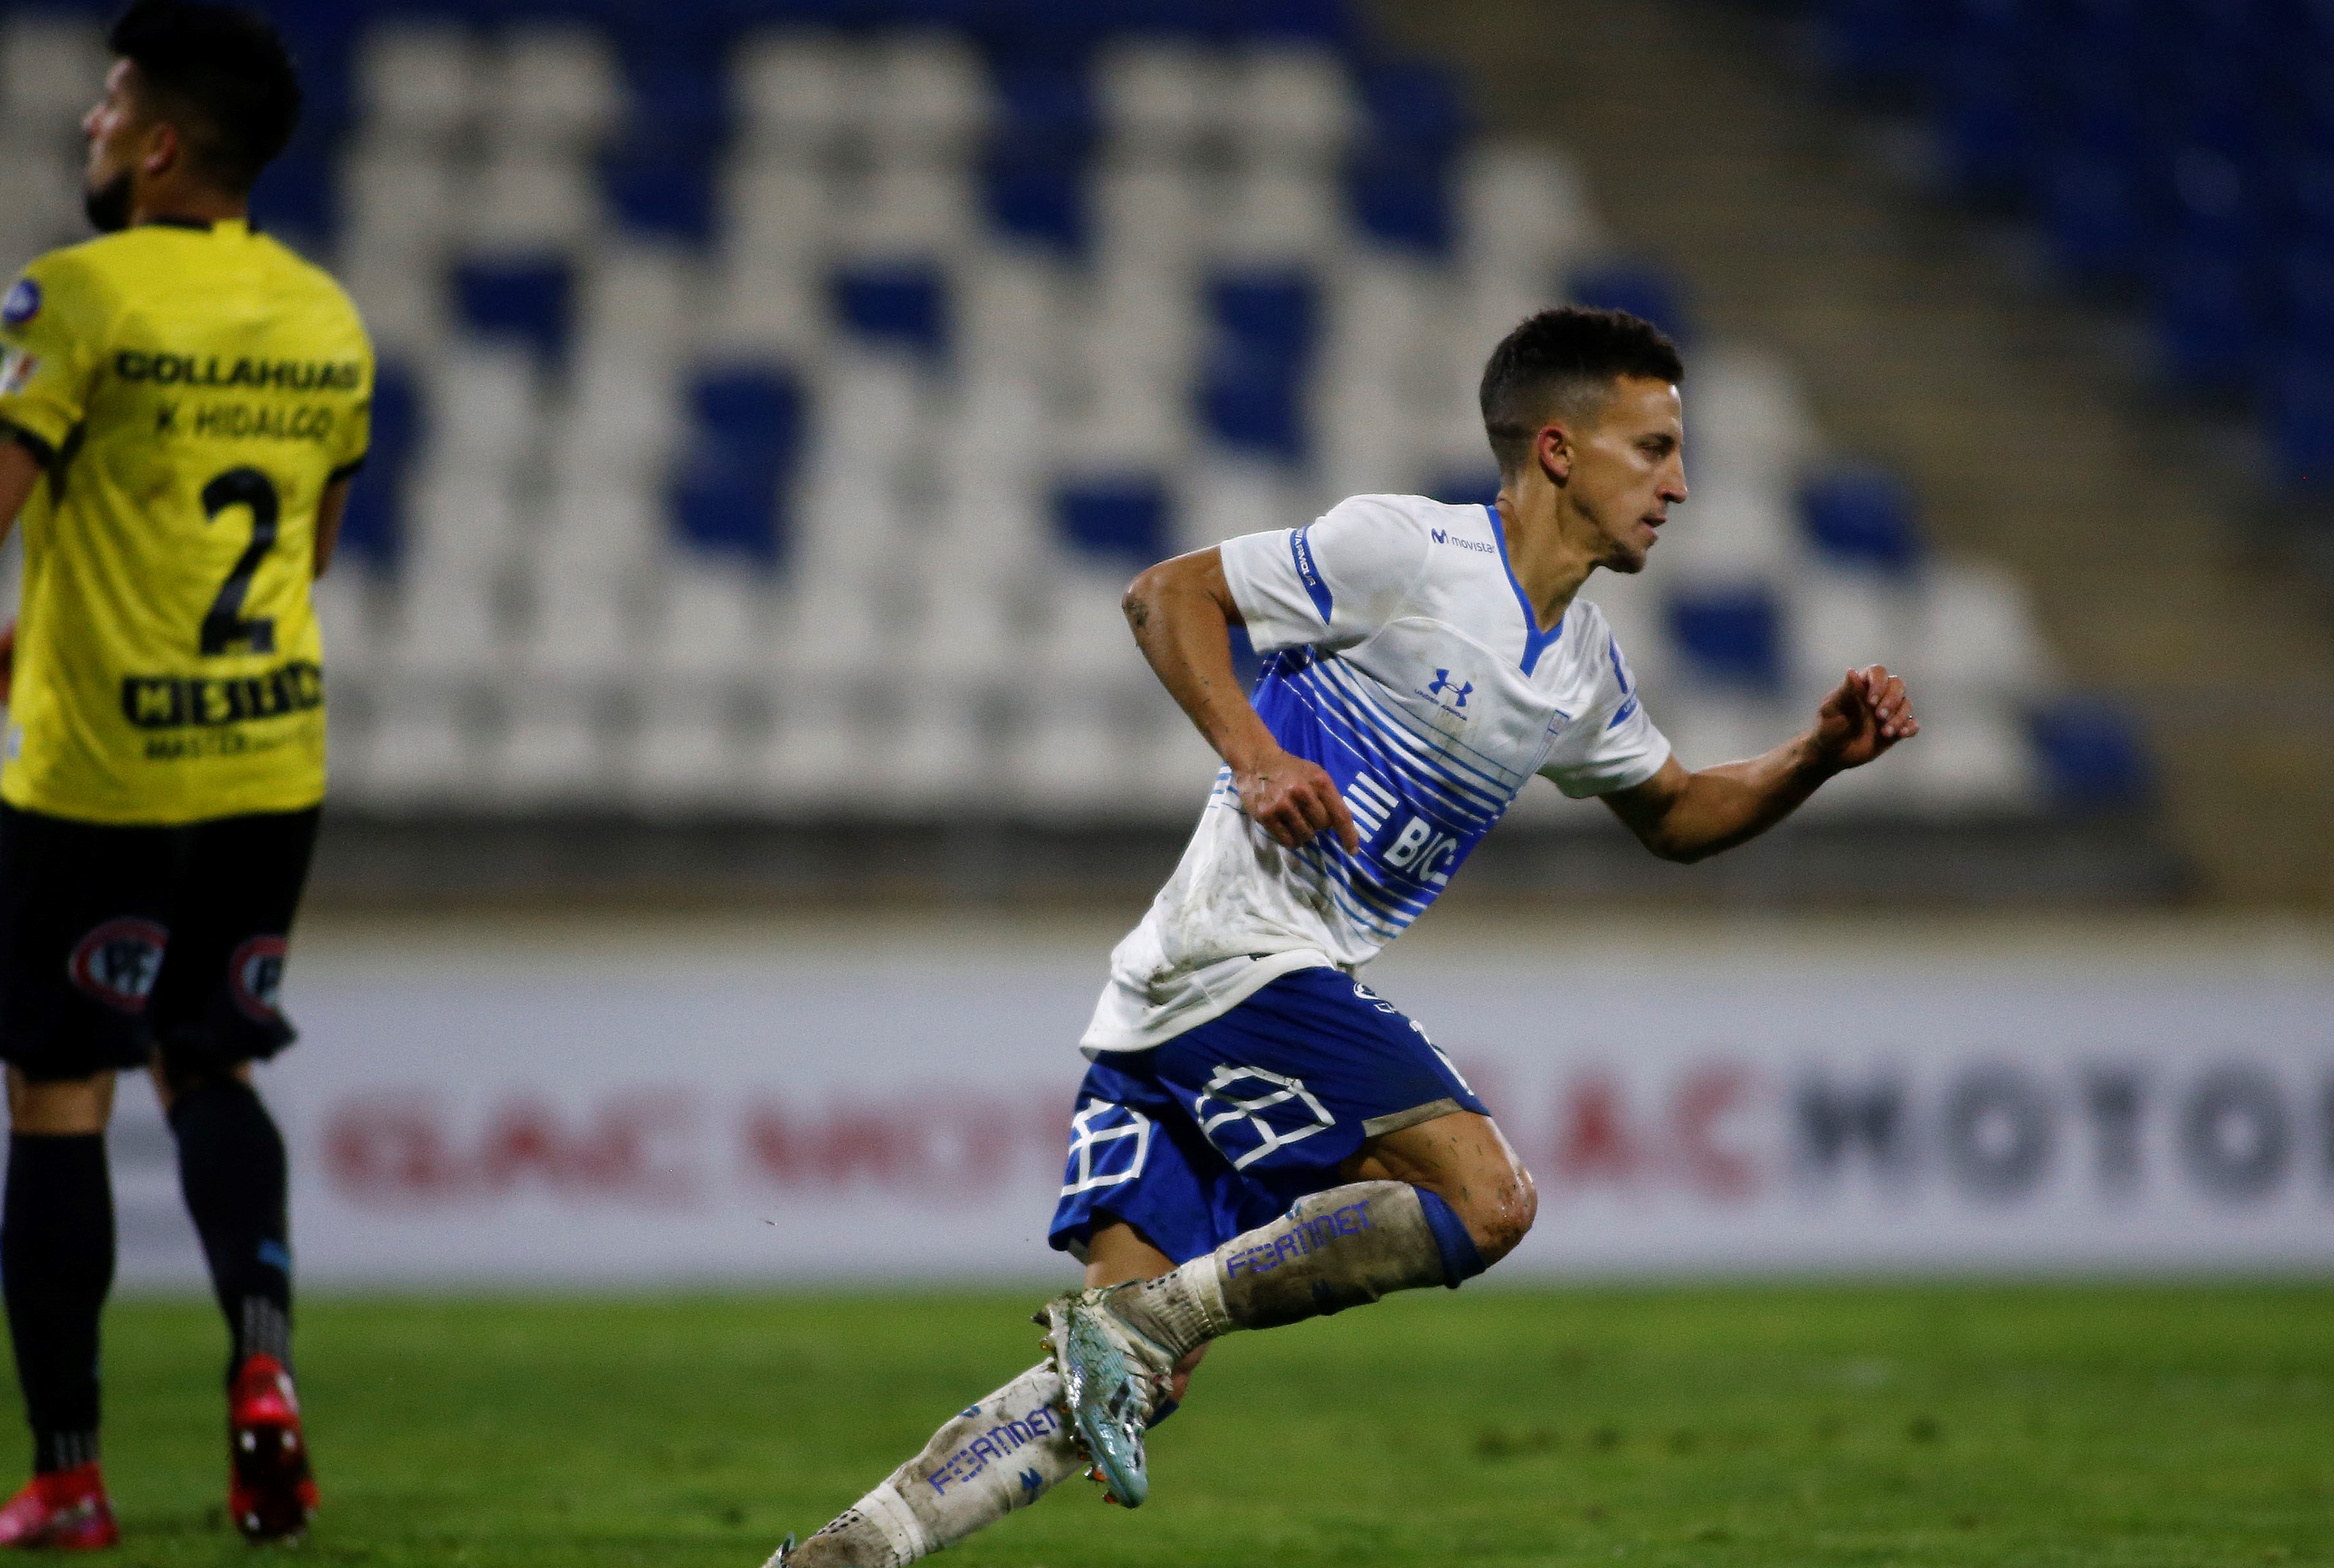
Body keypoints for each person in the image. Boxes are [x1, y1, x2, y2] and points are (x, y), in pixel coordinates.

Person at [764, 306, 1919, 1565]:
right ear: (1553, 449)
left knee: (1115, 1387)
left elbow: (1678, 814)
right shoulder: (1405, 550)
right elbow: (1167, 597)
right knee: (1484, 1201)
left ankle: (836, 1555)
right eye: (1650, 449)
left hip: (1165, 997)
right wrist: (1258, 760)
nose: (1678, 485)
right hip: (1238, 964)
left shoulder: (1581, 665)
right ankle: (1152, 1317)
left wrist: (1813, 755)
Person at [0, 1, 370, 1549]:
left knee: (59, 1092)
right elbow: (295, 554)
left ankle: (69, 1473)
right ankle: (262, 1373)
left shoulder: (75, 294)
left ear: (163, 141)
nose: (90, 124)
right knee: (215, 1062)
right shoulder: (325, 317)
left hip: (104, 773)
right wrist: (54, 615)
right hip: (266, 759)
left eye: (111, 102)